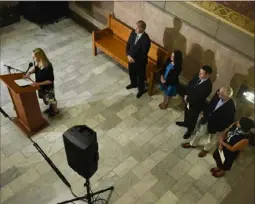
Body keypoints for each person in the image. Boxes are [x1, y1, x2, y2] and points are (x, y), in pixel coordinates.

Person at [182, 86, 236, 157]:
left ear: (226, 97)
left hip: (215, 126)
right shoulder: (218, 93)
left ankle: (205, 150)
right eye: (219, 91)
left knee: (211, 140)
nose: (217, 93)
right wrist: (205, 114)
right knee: (199, 133)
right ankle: (192, 144)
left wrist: (220, 130)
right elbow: (211, 103)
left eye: (220, 93)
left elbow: (228, 120)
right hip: (207, 119)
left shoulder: (231, 107)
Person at [176, 66, 212, 139]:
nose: (199, 74)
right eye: (199, 72)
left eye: (201, 73)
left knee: (192, 118)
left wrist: (188, 100)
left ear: (207, 75)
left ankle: (190, 130)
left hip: (195, 105)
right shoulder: (197, 76)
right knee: (186, 112)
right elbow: (190, 84)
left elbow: (199, 97)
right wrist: (186, 94)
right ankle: (185, 123)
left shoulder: (208, 86)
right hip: (188, 100)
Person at [24, 48, 59, 117]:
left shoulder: (48, 67)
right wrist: (29, 73)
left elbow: (50, 81)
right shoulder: (37, 62)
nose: (33, 58)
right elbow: (36, 68)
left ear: (39, 56)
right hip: (41, 86)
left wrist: (38, 84)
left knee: (52, 99)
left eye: (34, 57)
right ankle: (50, 107)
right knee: (47, 99)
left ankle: (56, 111)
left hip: (47, 87)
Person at [126, 20, 151, 98]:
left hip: (140, 62)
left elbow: (143, 53)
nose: (135, 29)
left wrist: (134, 59)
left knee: (140, 77)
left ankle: (141, 90)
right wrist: (128, 55)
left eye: (137, 27)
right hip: (130, 58)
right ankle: (133, 84)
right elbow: (128, 44)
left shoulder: (146, 40)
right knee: (131, 72)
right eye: (136, 27)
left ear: (142, 29)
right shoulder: (133, 32)